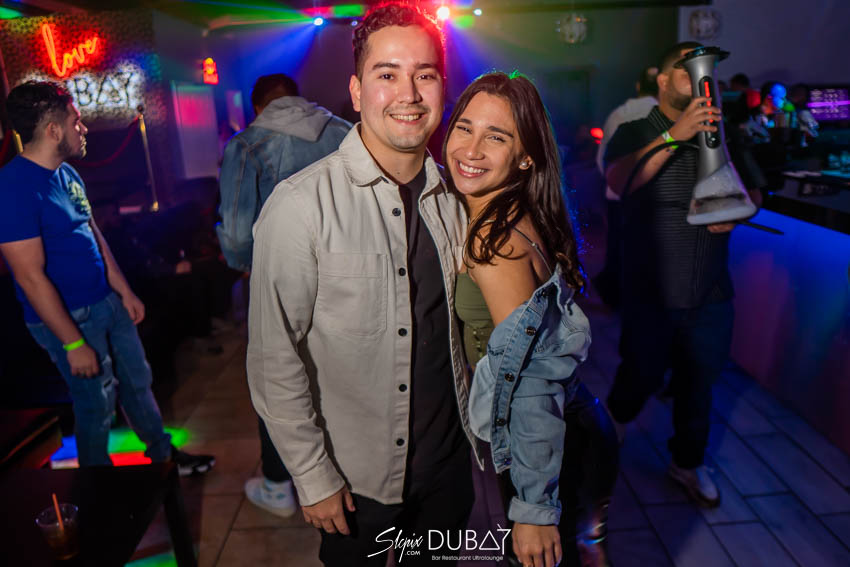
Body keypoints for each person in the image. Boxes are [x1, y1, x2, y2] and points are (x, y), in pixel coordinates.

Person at [246, 4, 479, 565]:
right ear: (356, 91)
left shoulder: (458, 202)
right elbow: (273, 357)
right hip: (357, 483)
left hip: (447, 472)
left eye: (424, 74)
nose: (409, 94)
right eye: (387, 74)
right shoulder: (300, 206)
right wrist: (311, 476)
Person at [0, 81, 215, 475]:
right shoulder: (13, 188)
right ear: (53, 130)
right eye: (76, 121)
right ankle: (97, 487)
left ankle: (164, 460)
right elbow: (29, 277)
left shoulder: (66, 174)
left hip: (106, 302)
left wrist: (123, 291)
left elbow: (94, 236)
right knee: (96, 403)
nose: (83, 128)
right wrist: (73, 342)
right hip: (70, 319)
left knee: (138, 381)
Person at [449, 72, 619, 567]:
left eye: (496, 137)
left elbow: (529, 381)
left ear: (526, 157)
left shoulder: (495, 241)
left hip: (548, 443)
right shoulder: (513, 208)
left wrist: (533, 508)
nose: (471, 149)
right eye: (464, 128)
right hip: (572, 429)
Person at [603, 42, 761, 508]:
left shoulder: (725, 132)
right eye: (686, 72)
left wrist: (739, 210)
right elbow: (618, 180)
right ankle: (609, 434)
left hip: (710, 289)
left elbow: (756, 190)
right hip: (650, 286)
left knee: (699, 384)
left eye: (703, 74)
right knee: (640, 373)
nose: (698, 82)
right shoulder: (635, 130)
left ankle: (686, 464)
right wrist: (675, 134)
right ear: (663, 80)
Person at [217, 73, 350, 517]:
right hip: (347, 276)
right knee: (342, 373)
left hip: (280, 279)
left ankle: (279, 485)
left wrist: (243, 263)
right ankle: (345, 471)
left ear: (258, 107)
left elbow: (238, 232)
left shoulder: (246, 144)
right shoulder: (343, 131)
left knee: (279, 376)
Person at [593, 65, 659, 309]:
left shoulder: (619, 114)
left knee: (617, 247)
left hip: (618, 194)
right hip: (651, 196)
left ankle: (615, 300)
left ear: (638, 86)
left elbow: (603, 159)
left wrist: (614, 182)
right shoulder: (668, 117)